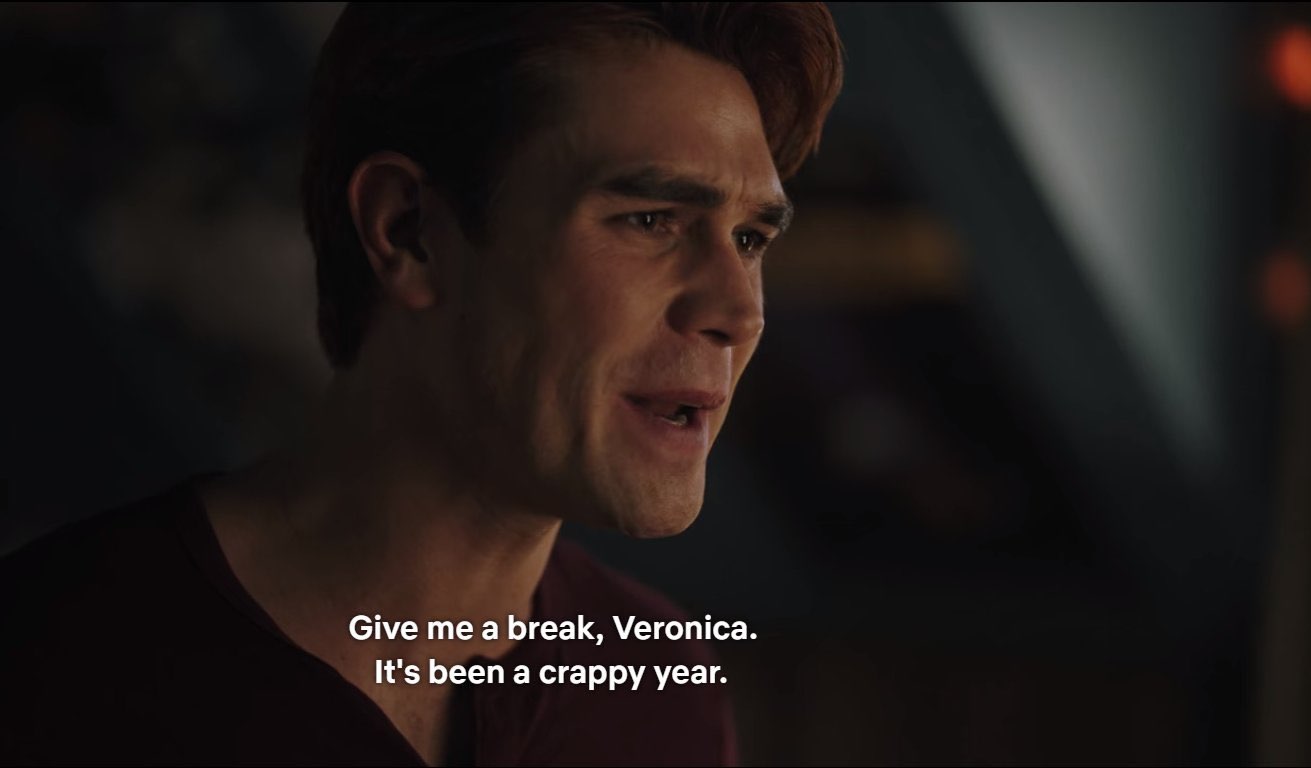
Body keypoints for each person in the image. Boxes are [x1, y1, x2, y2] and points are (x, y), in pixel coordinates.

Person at [0, 3, 842, 765]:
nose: (738, 310)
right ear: (408, 230)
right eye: (651, 219)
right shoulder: (53, 671)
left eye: (749, 240)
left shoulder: (661, 701)